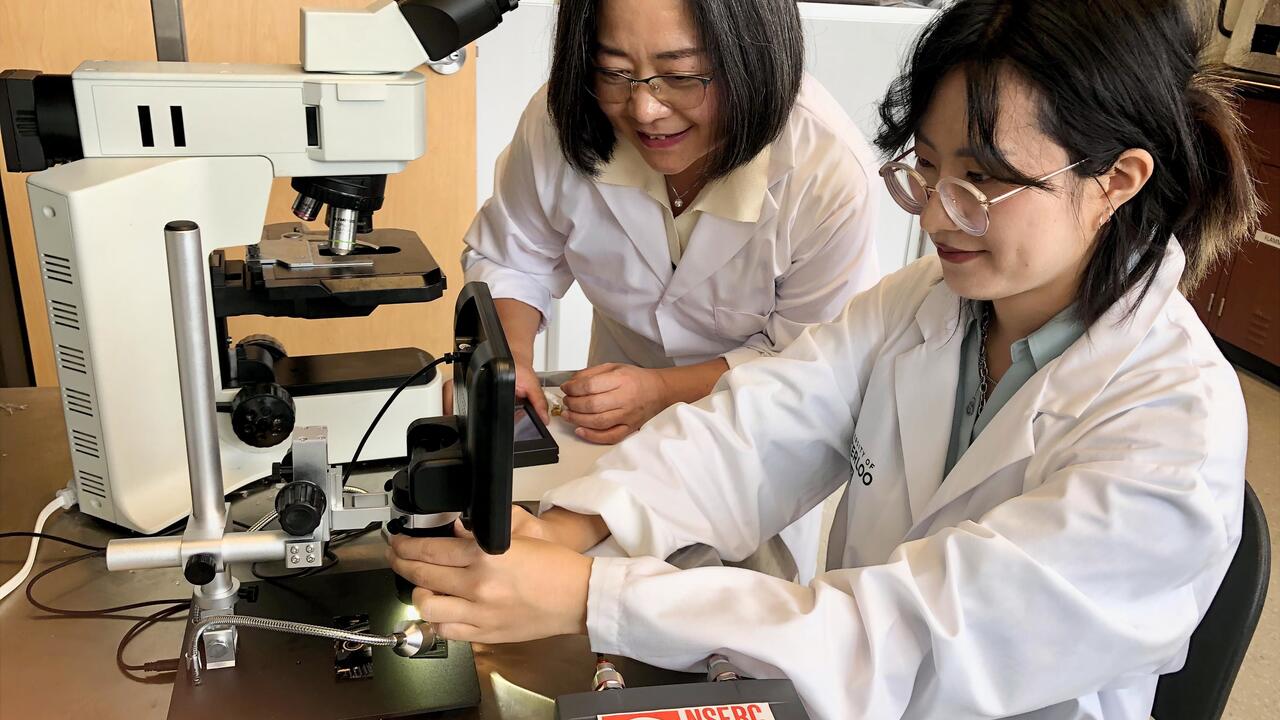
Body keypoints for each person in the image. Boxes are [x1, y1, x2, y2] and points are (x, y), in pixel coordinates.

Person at [392, 1, 1261, 717]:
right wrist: (571, 529)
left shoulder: (1172, 429)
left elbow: (914, 642)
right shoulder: (924, 304)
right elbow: (753, 430)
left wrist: (592, 596)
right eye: (927, 169)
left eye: (984, 182)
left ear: (1117, 179)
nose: (937, 216)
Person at [460, 0, 881, 445]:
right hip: (605, 423)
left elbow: (810, 363)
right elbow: (515, 258)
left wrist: (660, 392)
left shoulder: (826, 172)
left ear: (754, 61)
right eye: (615, 72)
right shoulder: (566, 119)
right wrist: (509, 361)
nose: (644, 110)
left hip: (759, 438)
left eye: (681, 76)